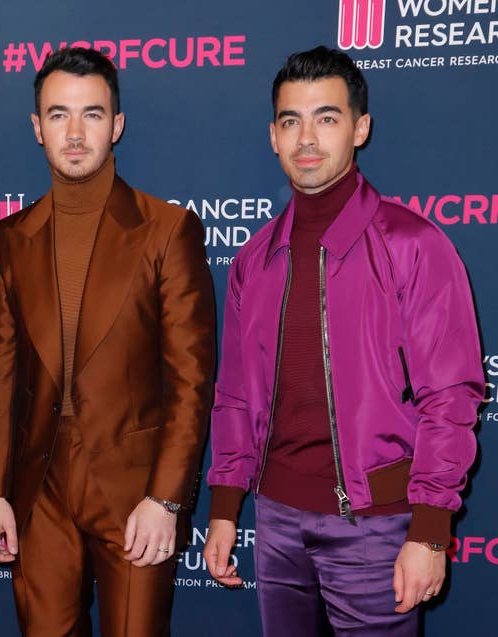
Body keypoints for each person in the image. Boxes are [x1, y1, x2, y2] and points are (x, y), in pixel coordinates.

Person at [204, 46, 483, 636]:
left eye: (326, 118)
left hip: (375, 528)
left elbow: (450, 398)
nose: (307, 137)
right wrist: (227, 508)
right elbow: (234, 396)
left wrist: (430, 530)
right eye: (291, 121)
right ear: (273, 137)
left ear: (360, 128)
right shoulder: (254, 259)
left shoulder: (413, 244)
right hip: (275, 523)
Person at [0, 47, 215, 636]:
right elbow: (0, 379)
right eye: (59, 115)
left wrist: (165, 499)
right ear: (37, 128)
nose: (76, 132)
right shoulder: (8, 239)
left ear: (117, 124)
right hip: (38, 494)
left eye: (92, 114)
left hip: (135, 493)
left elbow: (190, 382)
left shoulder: (167, 230)